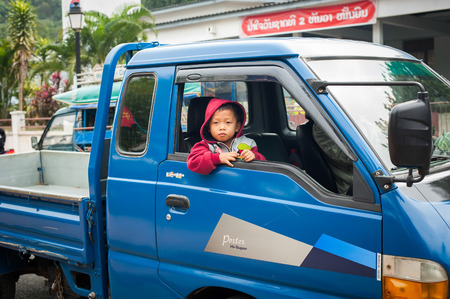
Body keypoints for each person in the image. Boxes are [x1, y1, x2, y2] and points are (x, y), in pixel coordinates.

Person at [187, 98, 265, 174]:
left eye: (228, 122)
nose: (222, 128)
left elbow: (265, 166)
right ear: (209, 128)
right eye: (216, 123)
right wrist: (218, 158)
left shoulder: (248, 143)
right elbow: (193, 162)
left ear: (237, 127)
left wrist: (254, 156)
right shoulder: (205, 145)